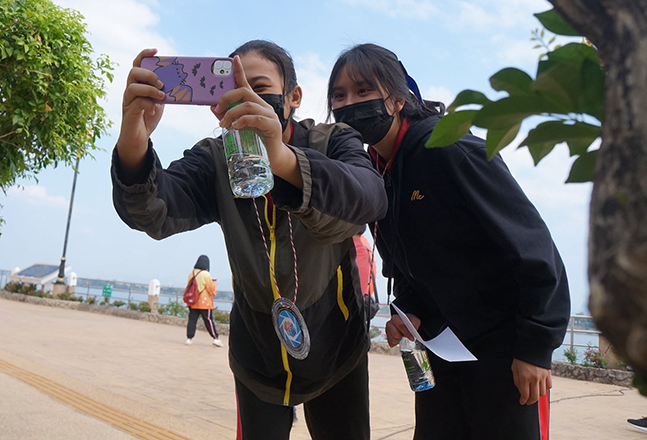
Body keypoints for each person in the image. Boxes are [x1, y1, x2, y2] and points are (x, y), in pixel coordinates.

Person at [112, 41, 387, 440]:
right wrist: (134, 140)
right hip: (257, 357)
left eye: (259, 87)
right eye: (232, 88)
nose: (246, 98)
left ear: (293, 97)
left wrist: (282, 159)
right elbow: (153, 213)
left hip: (336, 348)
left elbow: (369, 199)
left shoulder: (332, 140)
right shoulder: (216, 158)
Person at [326, 43, 571, 440]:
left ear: (398, 98)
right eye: (339, 95)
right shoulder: (376, 172)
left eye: (364, 90)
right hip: (443, 348)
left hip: (504, 351)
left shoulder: (450, 148)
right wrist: (411, 309)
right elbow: (415, 262)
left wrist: (535, 347)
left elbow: (534, 245)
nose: (350, 103)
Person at [185, 255, 223, 347]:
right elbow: (210, 288)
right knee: (208, 320)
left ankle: (189, 338)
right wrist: (215, 283)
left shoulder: (192, 273)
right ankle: (215, 338)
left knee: (192, 320)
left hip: (193, 301)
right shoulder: (206, 274)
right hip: (204, 302)